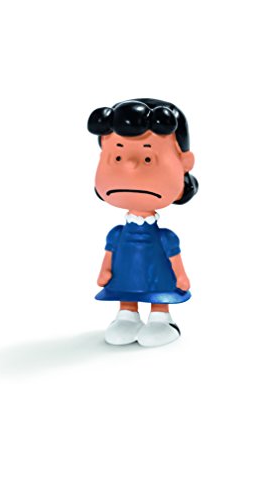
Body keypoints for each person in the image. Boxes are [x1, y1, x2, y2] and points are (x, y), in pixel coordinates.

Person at [87, 98, 198, 347]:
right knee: (125, 289)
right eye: (117, 156)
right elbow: (110, 254)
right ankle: (127, 315)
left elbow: (174, 258)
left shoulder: (165, 237)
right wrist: (105, 270)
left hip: (159, 276)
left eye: (148, 158)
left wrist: (181, 276)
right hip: (124, 277)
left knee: (160, 291)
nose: (130, 164)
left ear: (184, 164)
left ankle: (161, 318)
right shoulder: (117, 234)